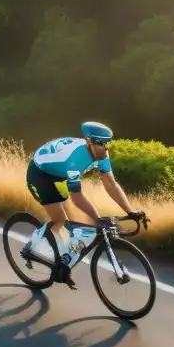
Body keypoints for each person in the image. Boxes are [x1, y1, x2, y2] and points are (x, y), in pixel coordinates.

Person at [23, 121, 146, 286]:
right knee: (60, 219)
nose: (104, 147)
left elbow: (110, 184)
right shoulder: (74, 161)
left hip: (59, 173)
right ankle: (33, 246)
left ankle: (61, 258)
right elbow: (77, 197)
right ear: (89, 142)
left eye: (106, 143)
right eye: (99, 143)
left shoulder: (102, 155)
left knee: (73, 223)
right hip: (40, 174)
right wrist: (97, 218)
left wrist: (130, 211)